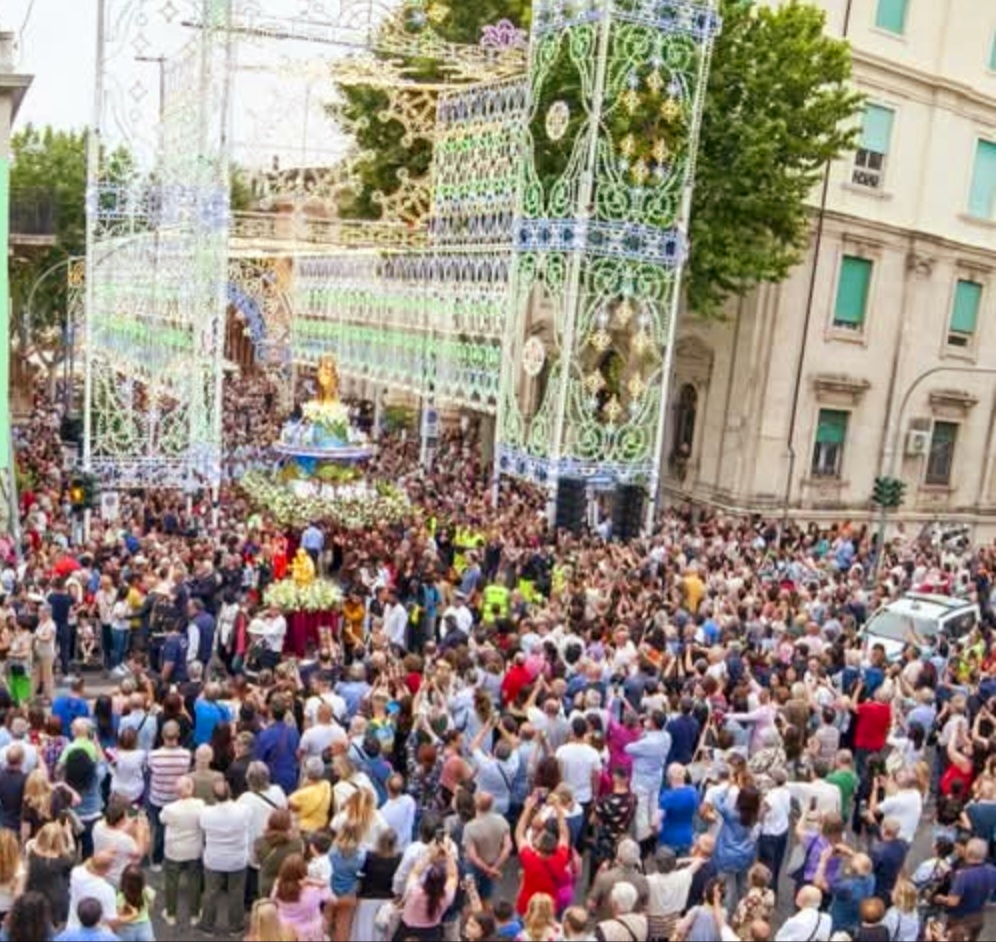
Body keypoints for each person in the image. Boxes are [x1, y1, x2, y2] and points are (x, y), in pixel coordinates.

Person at [198, 780, 251, 936]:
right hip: (237, 859)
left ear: (213, 796)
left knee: (210, 893)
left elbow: (202, 827)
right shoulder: (244, 810)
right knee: (236, 893)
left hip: (214, 859)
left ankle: (207, 926)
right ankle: (236, 927)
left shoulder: (206, 812)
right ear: (230, 792)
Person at [159, 775, 204, 927]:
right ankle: (194, 914)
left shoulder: (169, 809)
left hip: (174, 851)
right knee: (194, 882)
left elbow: (161, 820)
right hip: (194, 850)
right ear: (191, 788)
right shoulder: (200, 805)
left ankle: (171, 914)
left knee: (171, 883)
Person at [462, 790, 512, 903]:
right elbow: (508, 847)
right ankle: (486, 912)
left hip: (472, 867)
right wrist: (494, 868)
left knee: (471, 896)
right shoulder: (501, 820)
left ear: (475, 805)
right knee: (487, 896)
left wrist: (488, 869)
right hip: (492, 862)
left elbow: (473, 856)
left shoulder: (469, 827)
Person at [271, 853, 333, 942]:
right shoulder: (312, 891)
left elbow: (272, 901)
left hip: (285, 931)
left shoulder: (278, 887)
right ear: (303, 871)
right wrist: (312, 881)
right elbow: (331, 897)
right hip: (309, 934)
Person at [66, 852, 119, 932]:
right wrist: (127, 918)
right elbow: (112, 921)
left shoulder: (76, 873)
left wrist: (98, 857)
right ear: (107, 870)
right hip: (98, 934)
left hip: (73, 929)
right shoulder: (107, 890)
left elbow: (87, 863)